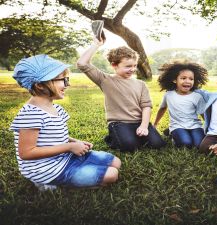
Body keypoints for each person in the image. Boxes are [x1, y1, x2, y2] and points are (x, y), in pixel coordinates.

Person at [10, 54, 121, 190]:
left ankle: (78, 173)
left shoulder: (55, 107)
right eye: (63, 80)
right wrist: (69, 147)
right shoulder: (31, 114)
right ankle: (50, 184)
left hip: (66, 158)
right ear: (40, 85)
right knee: (112, 175)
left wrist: (74, 142)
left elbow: (53, 136)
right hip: (48, 170)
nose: (67, 85)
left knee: (116, 162)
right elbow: (26, 152)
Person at [77, 38, 166, 152]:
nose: (133, 69)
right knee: (129, 147)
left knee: (158, 144)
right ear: (114, 65)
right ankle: (112, 137)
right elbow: (82, 63)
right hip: (119, 123)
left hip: (139, 122)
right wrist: (96, 44)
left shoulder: (141, 84)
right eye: (128, 66)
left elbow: (146, 106)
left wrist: (144, 126)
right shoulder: (105, 80)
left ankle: (133, 136)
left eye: (134, 65)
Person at [153, 61, 208, 149]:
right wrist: (155, 124)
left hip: (195, 126)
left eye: (191, 79)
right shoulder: (169, 95)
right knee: (185, 143)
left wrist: (211, 127)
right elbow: (162, 108)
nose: (188, 81)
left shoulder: (197, 96)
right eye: (183, 78)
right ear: (175, 80)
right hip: (177, 126)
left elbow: (203, 114)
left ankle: (173, 133)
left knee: (199, 145)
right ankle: (173, 135)